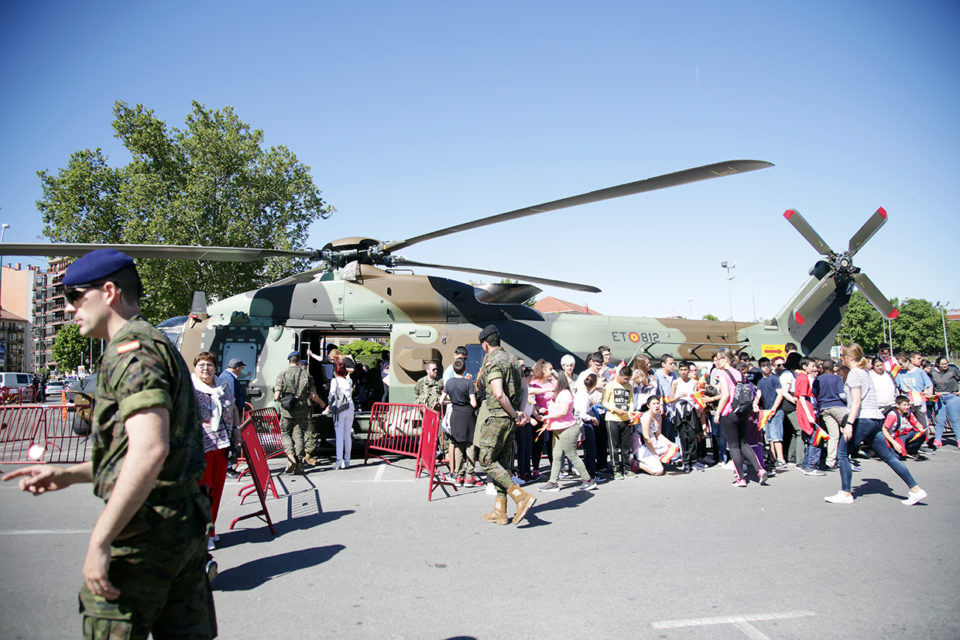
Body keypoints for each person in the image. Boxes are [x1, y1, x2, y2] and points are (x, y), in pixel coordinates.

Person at [2, 249, 217, 638]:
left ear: (108, 291)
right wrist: (71, 474)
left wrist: (101, 539)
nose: (69, 309)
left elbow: (151, 450)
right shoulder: (157, 345)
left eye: (74, 296)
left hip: (145, 536)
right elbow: (142, 451)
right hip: (181, 529)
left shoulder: (131, 352)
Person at [825, 343, 927, 506]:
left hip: (862, 419)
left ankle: (845, 492)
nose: (840, 358)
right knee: (887, 455)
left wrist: (849, 423)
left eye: (842, 355)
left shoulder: (854, 374)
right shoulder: (865, 373)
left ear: (850, 358)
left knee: (843, 454)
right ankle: (915, 488)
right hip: (875, 419)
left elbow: (857, 401)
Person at [475, 325, 536, 526]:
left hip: (497, 418)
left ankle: (520, 496)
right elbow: (525, 389)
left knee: (486, 460)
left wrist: (512, 412)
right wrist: (520, 412)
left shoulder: (493, 362)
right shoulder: (513, 360)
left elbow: (498, 393)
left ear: (485, 344)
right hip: (511, 419)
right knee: (501, 463)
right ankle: (500, 511)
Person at [191, 351, 240, 550]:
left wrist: (236, 430)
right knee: (203, 492)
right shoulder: (190, 389)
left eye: (209, 365)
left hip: (221, 446)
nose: (206, 368)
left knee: (216, 492)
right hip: (199, 448)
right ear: (195, 368)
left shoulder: (223, 387)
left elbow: (234, 409)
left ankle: (211, 530)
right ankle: (201, 535)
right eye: (201, 364)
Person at [715, 348, 767, 487]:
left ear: (725, 359)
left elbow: (725, 395)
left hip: (729, 411)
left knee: (733, 446)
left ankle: (740, 478)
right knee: (743, 443)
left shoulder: (722, 373)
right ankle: (760, 470)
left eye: (719, 359)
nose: (717, 361)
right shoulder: (738, 372)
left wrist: (718, 412)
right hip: (743, 410)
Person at [538, 371, 597, 492]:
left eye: (552, 380)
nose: (550, 383)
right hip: (559, 430)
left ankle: (588, 480)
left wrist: (547, 417)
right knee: (557, 456)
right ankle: (553, 482)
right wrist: (546, 413)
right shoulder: (558, 393)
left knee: (572, 455)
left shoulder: (565, 393)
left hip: (567, 429)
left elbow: (564, 412)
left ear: (559, 380)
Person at [274, 350, 325, 474]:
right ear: (298, 360)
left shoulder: (282, 374)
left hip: (287, 411)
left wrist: (285, 402)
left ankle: (290, 454)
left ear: (289, 360)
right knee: (299, 436)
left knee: (285, 433)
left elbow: (276, 396)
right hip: (302, 410)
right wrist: (322, 403)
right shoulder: (306, 375)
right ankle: (299, 464)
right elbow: (313, 395)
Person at [439, 358, 480, 485]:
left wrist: (453, 401)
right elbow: (473, 403)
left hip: (455, 415)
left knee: (457, 445)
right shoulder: (469, 384)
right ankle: (469, 475)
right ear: (465, 369)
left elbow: (441, 401)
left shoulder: (449, 383)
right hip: (468, 416)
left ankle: (459, 475)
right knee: (470, 445)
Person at [814, 360, 847, 470]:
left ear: (822, 369)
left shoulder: (818, 379)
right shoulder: (837, 378)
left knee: (833, 436)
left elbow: (814, 393)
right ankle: (845, 458)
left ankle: (830, 461)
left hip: (824, 408)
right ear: (833, 368)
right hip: (838, 406)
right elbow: (842, 395)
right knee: (848, 430)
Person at [757, 357, 787, 470]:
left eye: (768, 365)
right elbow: (758, 394)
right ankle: (772, 458)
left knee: (776, 436)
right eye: (764, 366)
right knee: (769, 437)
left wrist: (774, 409)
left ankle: (781, 459)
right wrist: (755, 403)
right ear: (760, 367)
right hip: (766, 411)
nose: (767, 367)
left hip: (776, 411)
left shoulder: (775, 379)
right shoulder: (761, 381)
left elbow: (780, 394)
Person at [634, 397, 676, 475]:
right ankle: (637, 464)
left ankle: (652, 460)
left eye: (658, 403)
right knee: (659, 471)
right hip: (642, 444)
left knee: (670, 448)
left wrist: (671, 444)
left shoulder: (658, 416)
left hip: (652, 442)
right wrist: (655, 454)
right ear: (648, 406)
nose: (656, 406)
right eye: (653, 404)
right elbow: (646, 438)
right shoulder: (646, 416)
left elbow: (658, 434)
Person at [931, 356, 960, 449]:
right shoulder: (932, 372)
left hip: (952, 396)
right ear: (938, 364)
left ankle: (959, 439)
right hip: (939, 398)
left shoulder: (953, 370)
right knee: (940, 420)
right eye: (943, 364)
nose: (945, 365)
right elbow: (929, 384)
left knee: (955, 420)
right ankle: (938, 440)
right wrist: (933, 393)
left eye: (946, 363)